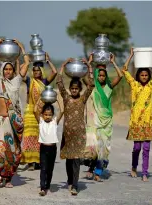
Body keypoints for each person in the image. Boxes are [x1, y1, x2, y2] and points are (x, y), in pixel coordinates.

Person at [0, 38, 29, 188]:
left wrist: (21, 48)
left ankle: (9, 178)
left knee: (13, 150)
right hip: (1, 120)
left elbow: (27, 63)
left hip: (14, 123)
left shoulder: (17, 81)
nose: (8, 71)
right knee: (0, 150)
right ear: (2, 69)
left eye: (10, 69)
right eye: (6, 69)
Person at [122, 47, 152, 182]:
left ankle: (145, 172)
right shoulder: (134, 85)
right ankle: (134, 167)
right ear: (138, 76)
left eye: (146, 75)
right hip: (136, 122)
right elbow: (124, 70)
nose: (144, 77)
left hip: (148, 122)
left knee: (146, 148)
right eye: (142, 75)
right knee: (136, 148)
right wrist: (131, 56)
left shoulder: (151, 85)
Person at [56, 58, 94, 195]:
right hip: (68, 135)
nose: (73, 91)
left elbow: (91, 86)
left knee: (76, 159)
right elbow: (59, 83)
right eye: (72, 88)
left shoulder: (83, 99)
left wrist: (89, 67)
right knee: (69, 159)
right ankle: (70, 180)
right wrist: (63, 66)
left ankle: (75, 185)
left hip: (79, 134)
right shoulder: (66, 98)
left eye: (76, 89)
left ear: (79, 89)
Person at [84, 53, 123, 182]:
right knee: (95, 147)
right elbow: (85, 79)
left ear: (106, 77)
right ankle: (92, 169)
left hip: (107, 122)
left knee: (104, 148)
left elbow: (120, 76)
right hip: (95, 121)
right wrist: (89, 64)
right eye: (99, 75)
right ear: (96, 76)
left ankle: (98, 172)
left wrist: (113, 62)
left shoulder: (109, 87)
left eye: (103, 75)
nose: (101, 77)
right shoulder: (93, 87)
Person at [21, 53, 57, 171]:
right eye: (34, 70)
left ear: (41, 71)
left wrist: (48, 60)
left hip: (41, 112)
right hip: (30, 111)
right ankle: (30, 162)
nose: (36, 72)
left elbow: (55, 72)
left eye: (38, 70)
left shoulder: (45, 82)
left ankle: (37, 161)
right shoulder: (29, 81)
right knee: (28, 136)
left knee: (39, 136)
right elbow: (20, 73)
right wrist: (27, 61)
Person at [33, 102, 63, 196]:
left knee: (50, 169)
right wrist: (39, 100)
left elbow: (62, 111)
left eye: (50, 115)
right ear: (42, 114)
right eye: (45, 114)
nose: (47, 116)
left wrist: (57, 99)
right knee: (43, 168)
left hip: (52, 149)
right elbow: (34, 110)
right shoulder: (41, 121)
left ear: (52, 115)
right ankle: (42, 188)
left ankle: (48, 185)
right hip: (43, 148)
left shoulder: (54, 122)